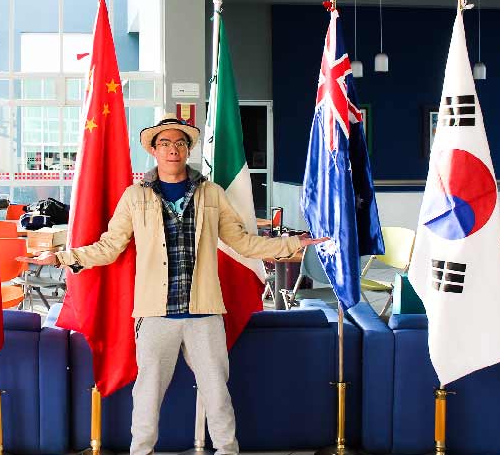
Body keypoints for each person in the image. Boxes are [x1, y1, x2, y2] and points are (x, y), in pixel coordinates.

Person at [20, 116, 328, 455]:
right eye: (165, 143)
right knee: (147, 395)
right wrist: (63, 257)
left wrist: (294, 245)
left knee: (217, 396)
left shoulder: (211, 193)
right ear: (154, 150)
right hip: (155, 316)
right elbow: (109, 246)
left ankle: (228, 450)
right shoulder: (135, 197)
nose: (173, 149)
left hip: (205, 314)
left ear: (188, 150)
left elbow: (244, 243)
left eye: (180, 143)